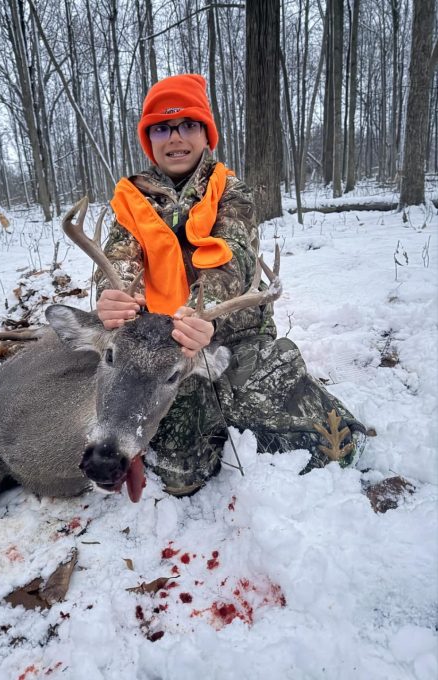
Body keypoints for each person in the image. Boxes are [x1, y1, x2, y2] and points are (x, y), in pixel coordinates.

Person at [95, 74, 366, 496]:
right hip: (158, 349)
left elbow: (231, 257)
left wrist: (203, 315)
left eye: (188, 125)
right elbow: (118, 258)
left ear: (206, 134)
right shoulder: (132, 198)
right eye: (162, 128)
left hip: (235, 336)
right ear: (149, 139)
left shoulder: (231, 191)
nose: (175, 137)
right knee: (180, 477)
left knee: (336, 448)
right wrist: (112, 296)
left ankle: (235, 410)